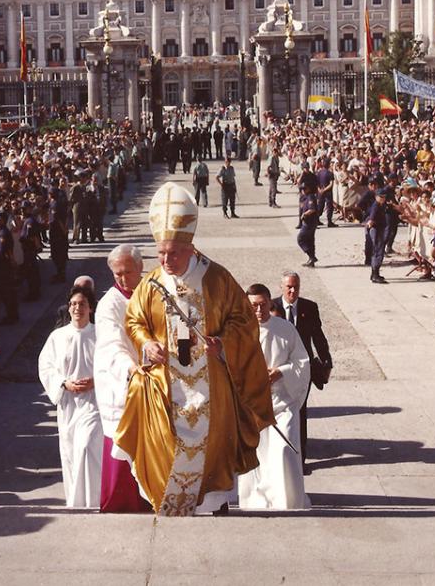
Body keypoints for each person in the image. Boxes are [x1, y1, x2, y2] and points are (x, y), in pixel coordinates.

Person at [115, 182, 274, 516]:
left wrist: (223, 342)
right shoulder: (151, 283)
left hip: (210, 385)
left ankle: (213, 505)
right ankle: (168, 502)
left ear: (190, 248)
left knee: (212, 443)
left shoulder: (216, 279)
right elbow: (134, 322)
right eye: (160, 253)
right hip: (164, 385)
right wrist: (148, 344)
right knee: (165, 446)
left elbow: (243, 319)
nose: (166, 259)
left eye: (173, 253)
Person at [239, 284, 310, 510]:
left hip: (282, 402)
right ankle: (256, 499)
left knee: (284, 450)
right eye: (253, 306)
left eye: (262, 305)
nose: (259, 311)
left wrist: (281, 372)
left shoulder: (286, 329)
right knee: (257, 456)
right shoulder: (240, 331)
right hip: (253, 406)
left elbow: (302, 362)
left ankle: (288, 500)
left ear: (271, 303)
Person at [93, 244, 151, 513]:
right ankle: (123, 501)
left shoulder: (152, 291)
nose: (123, 279)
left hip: (154, 377)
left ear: (140, 268)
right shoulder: (109, 304)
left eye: (128, 272)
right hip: (124, 381)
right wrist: (131, 369)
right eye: (117, 274)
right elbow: (112, 344)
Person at [38, 285, 103, 508]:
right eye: (73, 304)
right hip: (68, 404)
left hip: (94, 402)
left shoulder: (100, 335)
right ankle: (76, 504)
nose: (77, 308)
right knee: (72, 452)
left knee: (87, 447)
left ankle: (93, 501)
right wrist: (64, 383)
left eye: (82, 304)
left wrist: (95, 381)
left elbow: (111, 365)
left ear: (91, 308)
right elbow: (45, 367)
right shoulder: (58, 336)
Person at [272, 271, 332, 472]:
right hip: (278, 369)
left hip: (301, 370)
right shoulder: (271, 307)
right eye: (289, 287)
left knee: (300, 411)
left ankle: (300, 459)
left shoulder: (309, 307)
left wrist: (326, 361)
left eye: (296, 286)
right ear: (281, 287)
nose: (292, 290)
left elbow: (318, 337)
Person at [365, 188, 389, 283]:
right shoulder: (376, 206)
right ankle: (375, 274)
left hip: (379, 229)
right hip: (376, 229)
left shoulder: (381, 205)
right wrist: (370, 223)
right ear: (376, 197)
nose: (383, 198)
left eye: (384, 197)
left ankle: (375, 273)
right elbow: (371, 218)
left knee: (377, 251)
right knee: (378, 251)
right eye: (381, 197)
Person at [297, 183, 319, 268]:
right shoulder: (304, 197)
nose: (303, 191)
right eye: (301, 189)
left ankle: (311, 257)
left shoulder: (310, 197)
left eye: (304, 189)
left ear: (308, 189)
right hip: (307, 222)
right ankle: (311, 260)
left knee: (300, 239)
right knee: (310, 241)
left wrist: (305, 214)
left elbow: (312, 209)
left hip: (309, 223)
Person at [315, 158, 337, 227]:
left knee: (320, 206)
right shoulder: (330, 173)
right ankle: (329, 221)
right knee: (329, 206)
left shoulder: (319, 172)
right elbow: (331, 184)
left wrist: (319, 190)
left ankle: (317, 219)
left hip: (321, 192)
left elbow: (317, 183)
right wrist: (324, 190)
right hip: (327, 192)